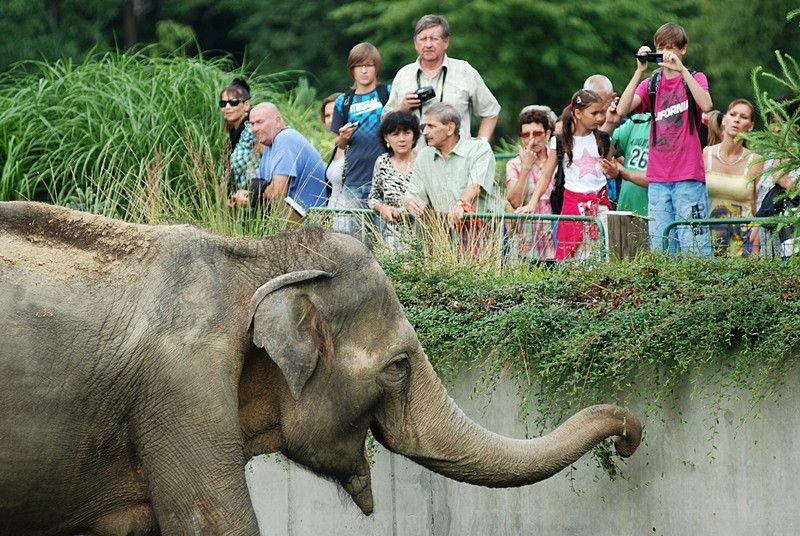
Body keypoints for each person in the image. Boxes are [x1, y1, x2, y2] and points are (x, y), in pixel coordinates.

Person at [616, 22, 714, 256]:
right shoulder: (652, 83)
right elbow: (621, 110)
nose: (667, 53)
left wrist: (680, 70)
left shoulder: (694, 77)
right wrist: (639, 70)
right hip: (658, 178)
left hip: (688, 175)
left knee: (695, 247)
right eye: (661, 48)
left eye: (671, 48)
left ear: (683, 49)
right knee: (661, 246)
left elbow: (707, 104)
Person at [516, 90, 615, 262]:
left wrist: (613, 171)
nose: (599, 117)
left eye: (601, 112)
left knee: (601, 255)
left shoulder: (604, 139)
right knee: (572, 258)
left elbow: (611, 170)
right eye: (594, 113)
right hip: (572, 207)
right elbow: (546, 176)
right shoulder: (561, 142)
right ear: (578, 113)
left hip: (599, 206)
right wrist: (532, 203)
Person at [382, 14, 501, 147]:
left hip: (459, 161)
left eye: (434, 39)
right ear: (415, 43)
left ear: (446, 42)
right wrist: (402, 107)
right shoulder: (403, 75)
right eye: (423, 39)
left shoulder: (465, 71)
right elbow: (386, 122)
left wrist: (481, 143)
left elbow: (491, 112)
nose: (428, 44)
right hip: (416, 160)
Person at [403, 102, 503, 252]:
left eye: (431, 126)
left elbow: (475, 186)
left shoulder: (479, 149)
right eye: (425, 126)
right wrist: (411, 202)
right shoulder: (424, 155)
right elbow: (414, 193)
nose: (425, 132)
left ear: (450, 128)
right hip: (442, 234)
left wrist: (461, 204)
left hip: (482, 230)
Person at [330, 42, 391, 207]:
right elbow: (339, 145)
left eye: (369, 65)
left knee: (385, 232)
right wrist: (343, 137)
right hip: (354, 178)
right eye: (358, 66)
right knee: (355, 232)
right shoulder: (343, 101)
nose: (364, 71)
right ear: (352, 69)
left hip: (386, 177)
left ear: (376, 68)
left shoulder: (388, 93)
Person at [704, 99, 764, 257]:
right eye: (732, 114)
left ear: (750, 126)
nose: (737, 120)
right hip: (707, 242)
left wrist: (757, 244)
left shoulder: (756, 161)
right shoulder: (706, 154)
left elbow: (759, 205)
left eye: (743, 117)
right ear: (724, 119)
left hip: (743, 243)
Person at [249, 103, 327, 218]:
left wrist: (255, 191)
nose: (254, 129)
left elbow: (278, 194)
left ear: (278, 121)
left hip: (310, 224)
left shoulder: (285, 139)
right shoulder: (269, 146)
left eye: (260, 122)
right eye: (252, 124)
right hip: (290, 223)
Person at [505, 107, 556, 262]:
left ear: (547, 134)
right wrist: (526, 168)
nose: (532, 139)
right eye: (526, 135)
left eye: (537, 134)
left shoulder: (558, 161)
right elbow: (514, 201)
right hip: (528, 245)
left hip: (557, 242)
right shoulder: (514, 165)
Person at [756, 95, 800, 259]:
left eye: (782, 120)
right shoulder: (768, 155)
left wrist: (789, 183)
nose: (777, 128)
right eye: (772, 121)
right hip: (768, 240)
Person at [368, 111, 421, 247]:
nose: (401, 139)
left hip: (422, 233)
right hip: (391, 234)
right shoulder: (382, 162)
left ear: (414, 136)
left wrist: (405, 209)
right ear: (386, 138)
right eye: (395, 134)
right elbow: (373, 199)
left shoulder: (423, 160)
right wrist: (383, 208)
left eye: (406, 133)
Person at [220, 78, 261, 209]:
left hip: (254, 203)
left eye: (233, 102)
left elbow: (265, 164)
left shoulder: (252, 131)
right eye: (223, 103)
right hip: (239, 207)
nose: (227, 107)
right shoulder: (232, 136)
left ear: (246, 105)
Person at [604, 112, 651, 216]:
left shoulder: (675, 125)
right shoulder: (636, 120)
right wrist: (609, 124)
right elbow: (601, 152)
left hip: (656, 216)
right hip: (625, 212)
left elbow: (661, 178)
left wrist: (626, 173)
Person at [319, 92, 349, 231]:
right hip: (334, 222)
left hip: (351, 222)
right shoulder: (336, 147)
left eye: (335, 114)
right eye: (327, 116)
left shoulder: (355, 146)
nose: (331, 120)